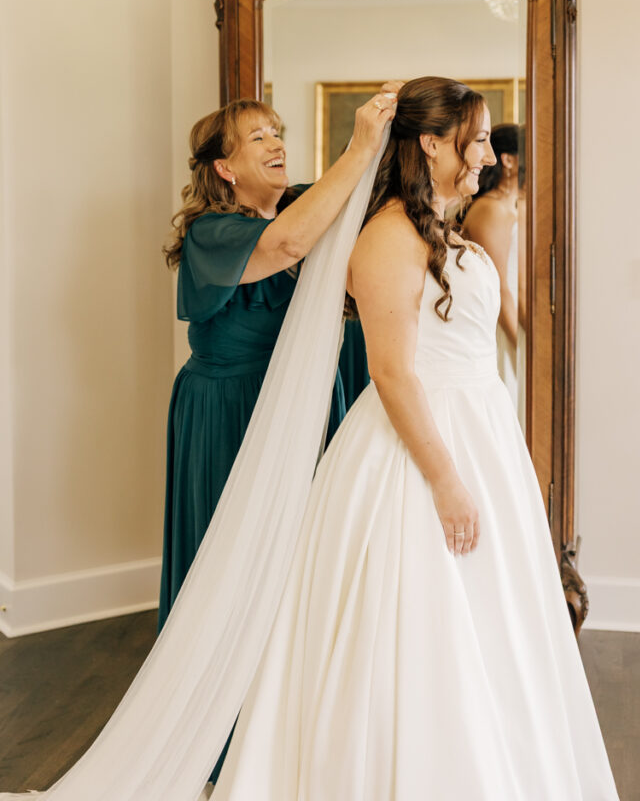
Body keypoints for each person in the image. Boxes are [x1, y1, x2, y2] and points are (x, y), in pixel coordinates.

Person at [211, 78, 620, 800]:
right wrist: (445, 479)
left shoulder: (446, 230)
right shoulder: (387, 236)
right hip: (415, 456)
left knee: (494, 626)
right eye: (478, 138)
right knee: (416, 631)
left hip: (479, 434)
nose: (489, 155)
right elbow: (393, 374)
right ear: (430, 142)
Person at [158, 90, 396, 780]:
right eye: (255, 137)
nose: (273, 143)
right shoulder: (213, 232)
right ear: (225, 168)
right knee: (229, 558)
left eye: (276, 131)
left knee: (301, 561)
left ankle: (286, 721)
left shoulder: (301, 203)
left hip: (297, 410)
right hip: (228, 409)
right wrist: (355, 147)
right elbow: (287, 246)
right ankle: (222, 734)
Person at [462, 122, 521, 404]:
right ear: (509, 160)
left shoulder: (516, 207)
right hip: (505, 322)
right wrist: (524, 349)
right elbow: (500, 286)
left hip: (521, 315)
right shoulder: (491, 209)